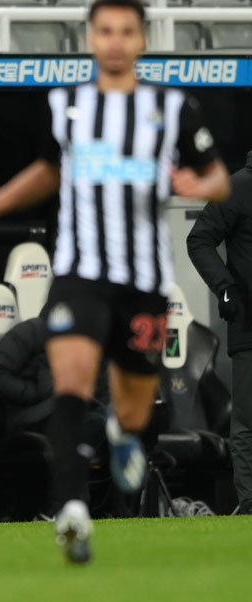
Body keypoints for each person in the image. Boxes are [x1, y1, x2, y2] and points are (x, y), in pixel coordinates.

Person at [0, 0, 230, 563]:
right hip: (79, 272)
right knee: (71, 384)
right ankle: (71, 512)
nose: (116, 41)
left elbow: (217, 174)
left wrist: (198, 185)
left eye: (127, 31)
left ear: (142, 40)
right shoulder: (66, 104)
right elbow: (49, 171)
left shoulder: (172, 107)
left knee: (136, 408)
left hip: (143, 281)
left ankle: (124, 432)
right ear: (90, 38)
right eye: (105, 31)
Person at [0, 316, 110, 517]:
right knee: (89, 422)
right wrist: (35, 393)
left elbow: (102, 385)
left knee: (109, 418)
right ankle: (60, 504)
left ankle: (112, 508)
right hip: (29, 414)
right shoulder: (30, 332)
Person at [186, 150, 252, 515]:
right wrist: (225, 287)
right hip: (250, 324)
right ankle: (250, 502)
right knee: (249, 420)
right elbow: (199, 240)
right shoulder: (237, 187)